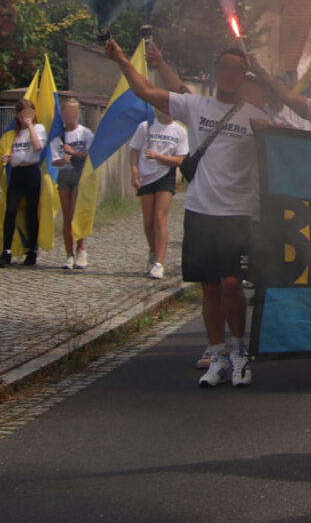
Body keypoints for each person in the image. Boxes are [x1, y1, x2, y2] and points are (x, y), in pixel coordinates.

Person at [107, 39, 271, 389]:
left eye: (236, 70)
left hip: (239, 213)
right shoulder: (195, 106)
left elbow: (287, 150)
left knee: (232, 283)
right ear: (216, 72)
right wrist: (122, 61)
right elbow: (148, 91)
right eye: (223, 68)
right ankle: (218, 354)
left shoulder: (256, 116)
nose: (228, 74)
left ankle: (240, 352)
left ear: (243, 76)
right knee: (209, 286)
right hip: (201, 210)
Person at [130, 107, 189, 280]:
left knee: (159, 217)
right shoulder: (145, 127)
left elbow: (180, 160)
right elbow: (134, 149)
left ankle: (159, 263)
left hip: (165, 176)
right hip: (146, 176)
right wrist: (134, 170)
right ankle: (153, 252)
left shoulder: (179, 131)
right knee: (148, 221)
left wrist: (159, 157)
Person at [0, 98, 48, 268]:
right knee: (11, 211)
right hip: (17, 173)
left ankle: (32, 250)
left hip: (32, 172)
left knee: (31, 212)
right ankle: (6, 251)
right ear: (17, 115)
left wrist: (30, 125)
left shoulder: (39, 129)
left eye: (30, 113)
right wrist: (6, 158)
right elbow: (9, 152)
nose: (26, 116)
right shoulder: (12, 134)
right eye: (23, 113)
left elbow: (38, 147)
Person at [49, 96, 96, 270]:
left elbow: (91, 156)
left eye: (73, 111)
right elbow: (54, 160)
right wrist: (63, 159)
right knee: (67, 216)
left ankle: (81, 248)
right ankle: (69, 254)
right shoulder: (58, 136)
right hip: (64, 175)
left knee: (78, 214)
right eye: (66, 111)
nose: (70, 114)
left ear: (78, 113)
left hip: (80, 176)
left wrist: (74, 154)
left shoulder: (85, 133)